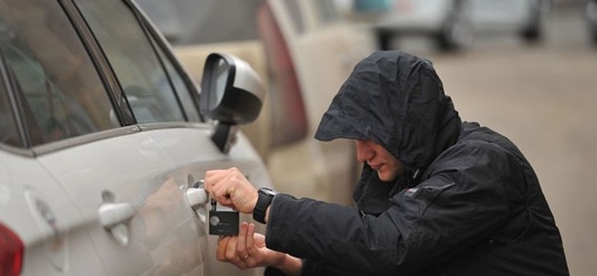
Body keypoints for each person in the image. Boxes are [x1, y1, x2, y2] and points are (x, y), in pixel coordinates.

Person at [204, 50, 569, 275]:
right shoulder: (415, 166)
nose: (362, 154)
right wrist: (287, 260)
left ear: (406, 123)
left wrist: (267, 204)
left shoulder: (481, 167)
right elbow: (375, 259)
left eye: (368, 136)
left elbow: (388, 245)